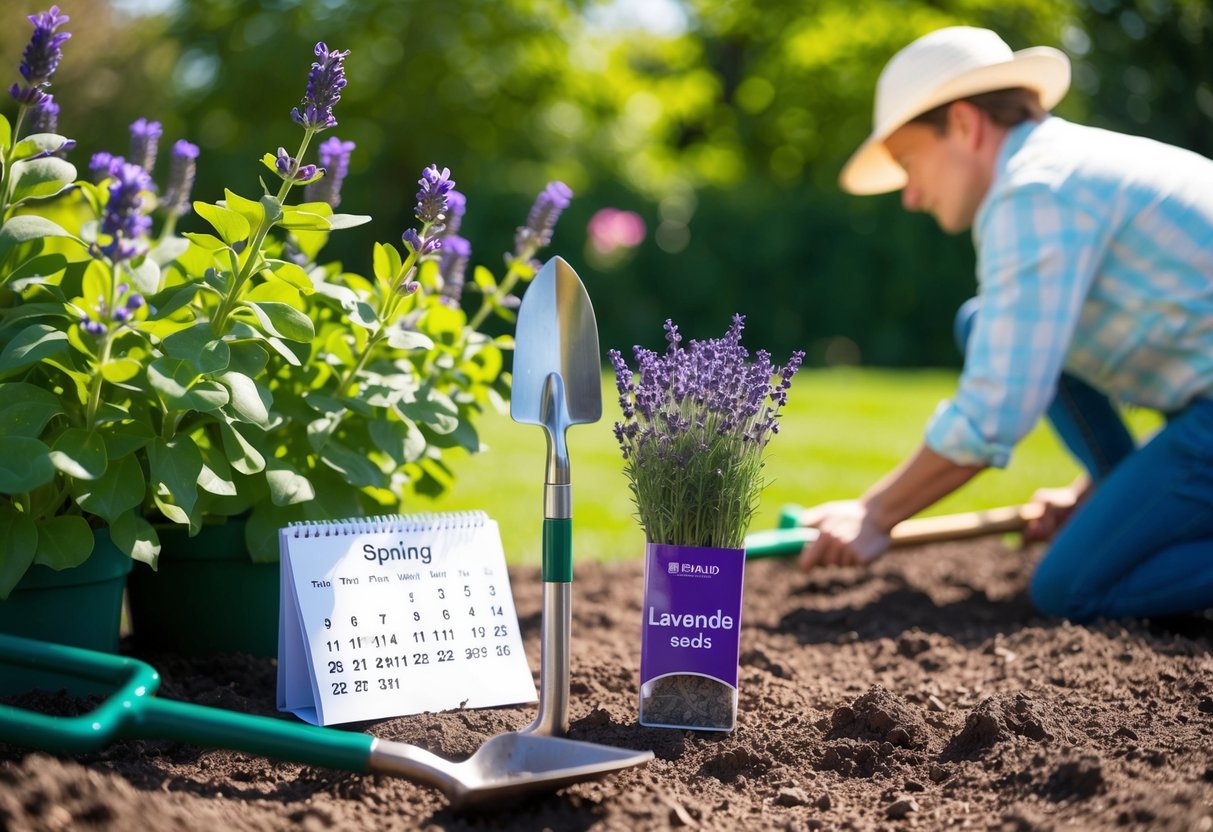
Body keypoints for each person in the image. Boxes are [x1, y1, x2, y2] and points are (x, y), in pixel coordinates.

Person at [798, 25, 1213, 623]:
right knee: (983, 321)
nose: (909, 197)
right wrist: (1091, 497)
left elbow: (995, 408)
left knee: (1069, 589)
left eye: (909, 163)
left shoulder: (1034, 190)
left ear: (965, 126)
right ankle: (1113, 484)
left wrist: (874, 513)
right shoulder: (1063, 167)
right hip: (1198, 408)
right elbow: (1027, 345)